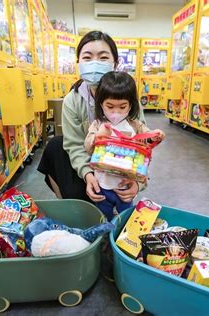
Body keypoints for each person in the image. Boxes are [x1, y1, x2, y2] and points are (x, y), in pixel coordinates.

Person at [37, 31, 147, 204]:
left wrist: (138, 182)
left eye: (103, 58)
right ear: (78, 63)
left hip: (121, 163)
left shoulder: (129, 100)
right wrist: (88, 174)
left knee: (119, 202)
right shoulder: (72, 100)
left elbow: (143, 144)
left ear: (115, 63)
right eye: (87, 57)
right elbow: (74, 145)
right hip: (89, 161)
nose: (94, 63)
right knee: (55, 145)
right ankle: (69, 203)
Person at [84, 71, 165, 221]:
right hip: (102, 184)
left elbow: (148, 139)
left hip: (125, 184)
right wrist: (98, 137)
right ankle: (103, 238)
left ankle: (120, 237)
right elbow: (87, 147)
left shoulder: (135, 125)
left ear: (130, 105)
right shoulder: (98, 124)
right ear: (101, 104)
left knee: (125, 217)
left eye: (122, 107)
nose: (116, 112)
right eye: (110, 106)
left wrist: (155, 135)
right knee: (102, 217)